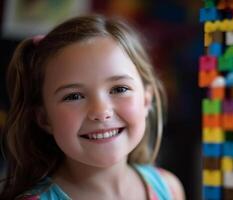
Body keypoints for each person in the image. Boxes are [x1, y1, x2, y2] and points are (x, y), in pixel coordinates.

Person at [0, 15, 185, 200]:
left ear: (146, 101)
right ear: (44, 118)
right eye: (74, 96)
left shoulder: (169, 188)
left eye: (119, 89)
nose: (101, 112)